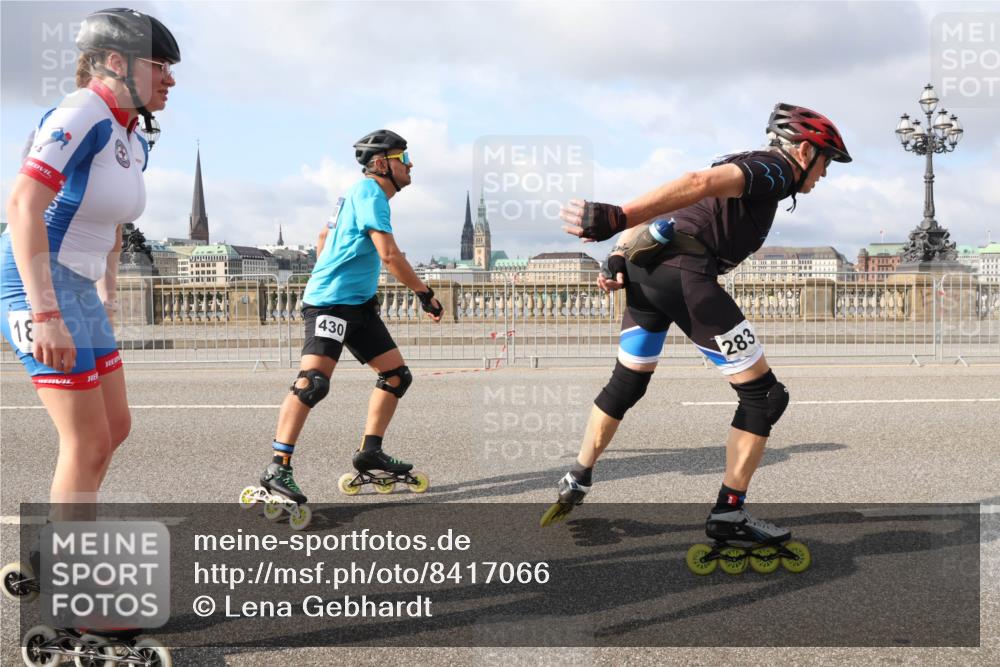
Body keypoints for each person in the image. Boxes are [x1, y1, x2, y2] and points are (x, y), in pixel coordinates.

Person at [543, 104, 851, 554]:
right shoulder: (776, 169)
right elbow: (695, 184)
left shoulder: (744, 160)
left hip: (648, 270)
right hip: (685, 275)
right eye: (826, 162)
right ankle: (729, 513)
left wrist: (618, 251)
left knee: (627, 383)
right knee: (765, 396)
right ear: (805, 150)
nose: (824, 174)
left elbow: (678, 210)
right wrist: (619, 217)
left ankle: (578, 476)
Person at [1, 8, 179, 516]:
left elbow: (115, 221)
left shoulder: (131, 133)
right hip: (37, 283)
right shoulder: (84, 110)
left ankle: (59, 542)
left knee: (115, 427)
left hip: (79, 286)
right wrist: (46, 315)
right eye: (159, 64)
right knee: (86, 441)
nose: (171, 78)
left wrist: (108, 286)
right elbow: (21, 205)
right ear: (114, 63)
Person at [253, 129, 443, 511]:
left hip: (358, 304)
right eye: (403, 158)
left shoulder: (357, 195)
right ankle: (277, 467)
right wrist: (425, 294)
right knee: (312, 384)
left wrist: (336, 265)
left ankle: (370, 452)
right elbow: (389, 256)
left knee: (396, 376)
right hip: (330, 304)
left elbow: (324, 235)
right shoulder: (370, 193)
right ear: (380, 164)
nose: (410, 164)